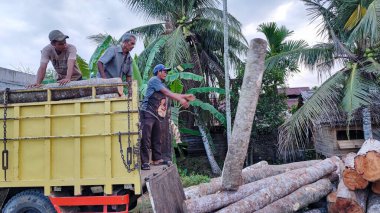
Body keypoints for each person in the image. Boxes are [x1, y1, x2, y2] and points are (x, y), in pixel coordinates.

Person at [140, 64, 195, 170]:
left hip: (155, 113)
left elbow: (170, 93)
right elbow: (167, 93)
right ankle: (145, 162)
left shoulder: (161, 83)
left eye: (166, 72)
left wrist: (185, 96)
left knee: (157, 136)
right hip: (147, 112)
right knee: (146, 137)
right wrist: (180, 100)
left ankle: (157, 159)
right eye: (164, 71)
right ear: (158, 72)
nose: (166, 73)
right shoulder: (154, 80)